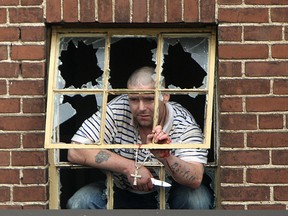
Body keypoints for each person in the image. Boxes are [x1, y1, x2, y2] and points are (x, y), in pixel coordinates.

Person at [66, 66, 214, 209]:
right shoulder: (118, 109)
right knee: (80, 202)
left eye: (149, 99)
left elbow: (195, 178)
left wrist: (165, 156)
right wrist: (130, 167)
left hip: (169, 193)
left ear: (166, 95)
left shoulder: (183, 123)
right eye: (134, 99)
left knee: (197, 199)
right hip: (120, 189)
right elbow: (75, 150)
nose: (141, 107)